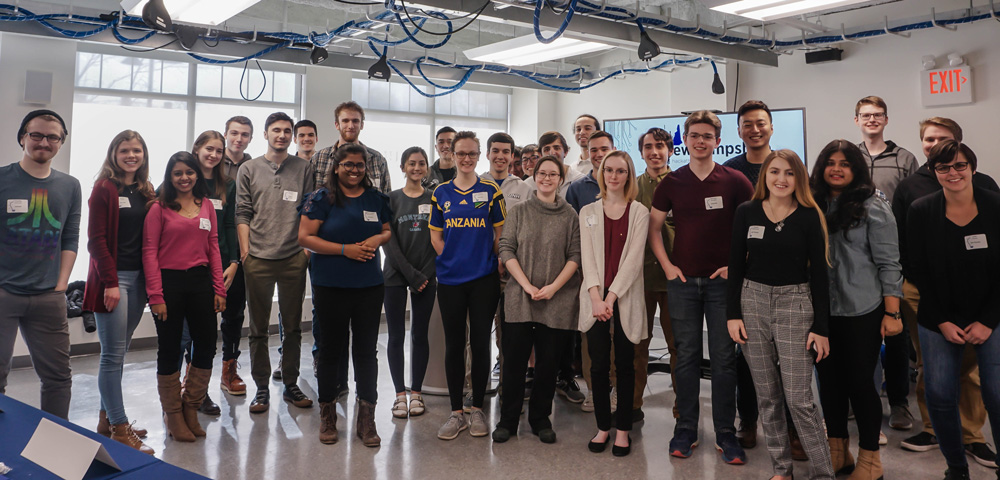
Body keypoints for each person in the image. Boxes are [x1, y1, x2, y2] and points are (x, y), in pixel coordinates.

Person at [649, 110, 753, 464]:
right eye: (695, 135)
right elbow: (654, 227)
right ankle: (687, 428)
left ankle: (726, 430)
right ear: (686, 141)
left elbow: (752, 227)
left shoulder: (735, 180)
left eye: (708, 136)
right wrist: (667, 265)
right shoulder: (673, 182)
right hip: (682, 284)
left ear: (718, 141)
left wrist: (734, 267)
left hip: (722, 285)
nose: (701, 141)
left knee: (724, 359)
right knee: (687, 356)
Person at [892, 117, 998, 466]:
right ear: (933, 169)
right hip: (936, 308)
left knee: (992, 390)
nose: (953, 172)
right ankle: (954, 463)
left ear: (971, 165)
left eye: (960, 165)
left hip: (987, 311)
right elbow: (914, 263)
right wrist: (941, 320)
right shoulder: (919, 203)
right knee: (937, 386)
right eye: (944, 167)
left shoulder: (993, 201)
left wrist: (987, 320)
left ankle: (979, 444)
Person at [728, 149, 834, 480]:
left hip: (795, 305)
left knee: (799, 400)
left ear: (798, 179)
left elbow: (820, 274)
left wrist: (821, 327)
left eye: (789, 173)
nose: (781, 179)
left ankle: (823, 472)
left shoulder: (808, 215)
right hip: (753, 302)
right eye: (774, 172)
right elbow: (735, 265)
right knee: (767, 397)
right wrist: (733, 314)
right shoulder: (747, 212)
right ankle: (781, 470)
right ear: (764, 176)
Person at [810, 139, 903, 480]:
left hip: (862, 310)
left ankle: (870, 460)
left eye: (844, 163)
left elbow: (889, 263)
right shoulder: (811, 204)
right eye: (830, 162)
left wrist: (892, 314)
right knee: (829, 384)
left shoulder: (872, 204)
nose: (836, 168)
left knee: (861, 384)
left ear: (856, 169)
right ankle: (838, 453)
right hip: (821, 311)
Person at [299, 143, 391, 447]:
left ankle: (367, 418)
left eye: (360, 165)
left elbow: (388, 229)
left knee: (366, 352)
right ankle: (327, 415)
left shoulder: (376, 198)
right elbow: (305, 237)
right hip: (330, 285)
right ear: (336, 167)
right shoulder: (321, 198)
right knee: (330, 351)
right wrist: (344, 250)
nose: (354, 170)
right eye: (348, 165)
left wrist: (376, 237)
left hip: (368, 286)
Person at [492, 155, 581, 444]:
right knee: (514, 363)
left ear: (560, 178)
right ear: (535, 175)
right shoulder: (519, 211)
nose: (546, 178)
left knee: (547, 365)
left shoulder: (570, 215)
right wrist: (527, 285)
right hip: (520, 297)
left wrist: (553, 287)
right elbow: (506, 248)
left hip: (557, 300)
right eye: (541, 173)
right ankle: (508, 420)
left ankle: (541, 419)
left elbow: (575, 256)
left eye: (552, 174)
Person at [0, 110, 80, 420]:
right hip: (4, 293)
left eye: (52, 137)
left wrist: (61, 284)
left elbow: (70, 237)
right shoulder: (3, 179)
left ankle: (56, 446)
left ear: (61, 143)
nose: (43, 142)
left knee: (58, 378)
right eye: (36, 135)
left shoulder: (69, 185)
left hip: (49, 296)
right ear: (22, 137)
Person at [236, 112, 316, 414]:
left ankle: (291, 383)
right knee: (258, 328)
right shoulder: (249, 168)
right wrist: (245, 252)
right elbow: (242, 212)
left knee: (293, 327)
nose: (281, 135)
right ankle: (260, 388)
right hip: (257, 258)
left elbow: (310, 210)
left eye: (286, 131)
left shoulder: (304, 168)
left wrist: (305, 252)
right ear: (266, 134)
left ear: (292, 136)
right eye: (276, 130)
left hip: (293, 257)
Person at [143, 152, 226, 443]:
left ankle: (191, 407)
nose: (184, 178)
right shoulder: (159, 208)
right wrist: (155, 295)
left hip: (201, 281)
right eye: (178, 173)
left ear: (196, 175)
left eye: (189, 172)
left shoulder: (206, 206)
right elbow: (149, 253)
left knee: (206, 346)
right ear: (170, 176)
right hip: (169, 283)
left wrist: (219, 289)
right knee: (169, 348)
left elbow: (213, 248)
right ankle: (173, 414)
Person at [429, 131, 505, 440]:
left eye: (472, 153)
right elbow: (435, 235)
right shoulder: (441, 193)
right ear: (451, 154)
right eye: (461, 153)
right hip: (450, 280)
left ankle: (477, 410)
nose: (466, 158)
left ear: (479, 156)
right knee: (455, 344)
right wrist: (449, 257)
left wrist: (488, 258)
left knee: (480, 344)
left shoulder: (491, 192)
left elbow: (501, 234)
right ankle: (456, 412)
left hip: (484, 280)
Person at [83, 130, 155, 454]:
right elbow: (95, 241)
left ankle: (106, 420)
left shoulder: (144, 189)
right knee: (112, 356)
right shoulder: (104, 188)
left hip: (138, 280)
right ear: (114, 153)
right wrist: (111, 281)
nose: (131, 155)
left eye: (136, 150)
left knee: (120, 353)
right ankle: (121, 428)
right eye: (125, 149)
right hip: (113, 281)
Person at [854, 95, 919, 434]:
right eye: (866, 115)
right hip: (856, 261)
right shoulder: (849, 157)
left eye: (877, 115)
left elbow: (915, 205)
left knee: (896, 333)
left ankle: (898, 404)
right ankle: (858, 399)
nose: (872, 120)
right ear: (857, 120)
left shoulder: (905, 158)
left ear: (886, 119)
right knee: (860, 336)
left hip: (893, 257)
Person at [579, 150, 649, 457]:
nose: (613, 176)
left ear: (628, 176)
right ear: (602, 173)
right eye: (609, 170)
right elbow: (587, 258)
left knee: (624, 364)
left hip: (623, 297)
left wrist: (610, 297)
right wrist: (596, 297)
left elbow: (633, 262)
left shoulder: (640, 212)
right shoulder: (588, 211)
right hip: (594, 299)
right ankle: (603, 427)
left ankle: (622, 431)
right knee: (597, 365)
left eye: (621, 171)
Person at [178, 130, 239, 415]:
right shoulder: (184, 180)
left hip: (222, 264)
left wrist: (234, 261)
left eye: (218, 151)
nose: (213, 155)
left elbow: (229, 226)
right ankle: (184, 389)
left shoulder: (227, 184)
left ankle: (198, 391)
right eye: (209, 149)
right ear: (197, 149)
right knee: (186, 334)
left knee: (207, 333)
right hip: (189, 266)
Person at [383, 147, 437, 419]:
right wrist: (410, 274)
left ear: (427, 168)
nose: (417, 168)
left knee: (419, 334)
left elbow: (438, 240)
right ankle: (399, 395)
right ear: (403, 167)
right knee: (395, 335)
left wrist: (424, 275)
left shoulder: (435, 198)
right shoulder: (390, 199)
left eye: (422, 163)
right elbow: (388, 242)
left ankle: (416, 392)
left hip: (427, 276)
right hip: (395, 275)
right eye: (412, 163)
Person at [480, 132, 531, 401]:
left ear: (513, 157)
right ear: (487, 153)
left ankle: (510, 387)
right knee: (476, 331)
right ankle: (475, 387)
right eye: (495, 150)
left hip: (512, 270)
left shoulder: (523, 188)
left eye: (506, 152)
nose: (500, 156)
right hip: (480, 267)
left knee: (508, 331)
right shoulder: (476, 183)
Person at [566, 130, 615, 413]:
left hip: (619, 270)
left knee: (618, 334)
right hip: (589, 272)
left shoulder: (624, 181)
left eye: (604, 148)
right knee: (590, 333)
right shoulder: (577, 188)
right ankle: (594, 390)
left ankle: (616, 387)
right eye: (594, 149)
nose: (598, 154)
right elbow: (574, 233)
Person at [635, 127, 678, 423]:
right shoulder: (631, 187)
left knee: (680, 347)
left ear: (671, 150)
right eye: (648, 146)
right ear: (641, 153)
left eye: (660, 146)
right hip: (639, 280)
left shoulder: (683, 183)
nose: (654, 151)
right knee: (638, 345)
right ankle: (632, 405)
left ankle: (683, 408)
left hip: (677, 279)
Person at [218, 115, 253, 398]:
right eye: (234, 133)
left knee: (234, 312)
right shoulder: (212, 161)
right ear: (225, 134)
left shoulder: (253, 166)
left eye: (244, 134)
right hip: (211, 246)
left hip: (241, 248)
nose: (238, 139)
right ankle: (191, 376)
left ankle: (229, 368)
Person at [310, 101, 390, 194]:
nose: (351, 126)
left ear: (362, 125)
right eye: (345, 121)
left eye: (355, 121)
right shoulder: (319, 158)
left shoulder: (377, 159)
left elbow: (387, 197)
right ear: (337, 125)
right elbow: (309, 198)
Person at [525, 132, 586, 197]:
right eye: (547, 149)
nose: (552, 153)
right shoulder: (529, 184)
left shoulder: (580, 180)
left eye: (556, 148)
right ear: (540, 155)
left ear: (565, 152)